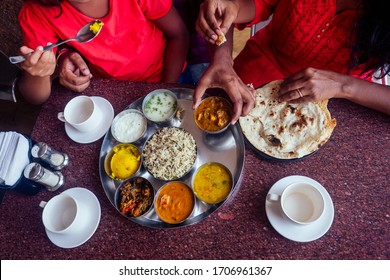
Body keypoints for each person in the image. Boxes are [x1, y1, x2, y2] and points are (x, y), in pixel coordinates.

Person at [194, 0, 390, 124]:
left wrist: (343, 85)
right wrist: (222, 60)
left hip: (331, 109)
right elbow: (250, 4)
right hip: (248, 78)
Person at [16, 0, 189, 104]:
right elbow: (36, 97)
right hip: (110, 91)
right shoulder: (37, 13)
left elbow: (178, 35)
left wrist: (166, 90)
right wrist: (38, 71)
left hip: (169, 76)